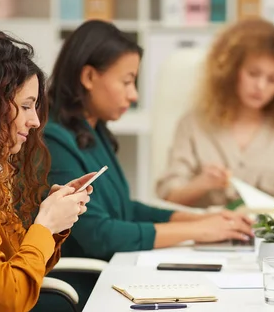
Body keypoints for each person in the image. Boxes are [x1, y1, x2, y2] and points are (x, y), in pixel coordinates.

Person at [44, 19, 253, 265]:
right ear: (89, 76)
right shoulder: (54, 141)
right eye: (126, 81)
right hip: (88, 288)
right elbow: (100, 235)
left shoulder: (93, 131)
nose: (134, 95)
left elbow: (125, 211)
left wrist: (202, 219)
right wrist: (199, 231)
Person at [0, 31, 93, 312]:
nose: (35, 121)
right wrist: (44, 225)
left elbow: (21, 271)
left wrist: (53, 228)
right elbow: (8, 297)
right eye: (27, 106)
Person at [156, 17, 274, 208]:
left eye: (273, 79)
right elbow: (169, 198)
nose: (260, 86)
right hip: (207, 232)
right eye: (253, 74)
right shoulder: (194, 123)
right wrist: (203, 183)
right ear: (231, 71)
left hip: (267, 234)